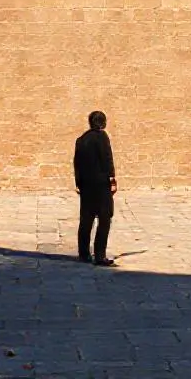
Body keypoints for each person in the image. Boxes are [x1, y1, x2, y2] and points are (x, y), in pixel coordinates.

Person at [74, 110, 117, 266]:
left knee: (86, 219)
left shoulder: (81, 140)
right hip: (101, 185)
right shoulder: (102, 137)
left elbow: (76, 164)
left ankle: (83, 254)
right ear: (102, 122)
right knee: (105, 219)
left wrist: (78, 183)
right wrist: (112, 179)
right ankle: (100, 255)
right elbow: (107, 158)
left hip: (86, 186)